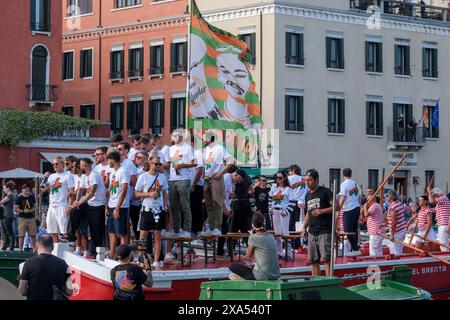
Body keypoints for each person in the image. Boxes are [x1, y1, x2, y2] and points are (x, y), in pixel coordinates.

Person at [134, 155, 169, 268]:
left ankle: (156, 259)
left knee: (157, 235)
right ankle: (142, 257)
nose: (158, 166)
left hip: (158, 209)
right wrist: (148, 194)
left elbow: (165, 192)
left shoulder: (162, 177)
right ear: (150, 163)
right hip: (147, 208)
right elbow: (136, 194)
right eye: (156, 164)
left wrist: (165, 205)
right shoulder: (143, 177)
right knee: (143, 235)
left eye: (159, 164)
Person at [18, 234, 73, 300]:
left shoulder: (29, 263)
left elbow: (22, 291)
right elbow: (70, 291)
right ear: (52, 247)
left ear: (37, 244)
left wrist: (32, 291)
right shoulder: (63, 264)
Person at [302, 169, 335, 276]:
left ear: (316, 180)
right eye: (306, 180)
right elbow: (308, 212)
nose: (307, 182)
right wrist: (304, 227)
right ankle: (316, 283)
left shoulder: (325, 191)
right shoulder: (307, 195)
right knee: (313, 260)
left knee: (326, 259)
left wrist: (323, 211)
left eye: (310, 180)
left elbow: (336, 206)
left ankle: (329, 283)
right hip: (312, 230)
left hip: (324, 229)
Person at [228, 213, 280, 280]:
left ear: (252, 224)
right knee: (251, 266)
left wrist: (236, 257)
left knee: (232, 266)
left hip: (262, 276)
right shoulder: (271, 236)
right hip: (275, 274)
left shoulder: (253, 238)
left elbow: (248, 256)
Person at [73, 158, 107, 257]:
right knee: (74, 211)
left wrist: (79, 202)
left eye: (80, 165)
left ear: (85, 166)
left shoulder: (94, 175)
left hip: (98, 205)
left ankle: (98, 251)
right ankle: (72, 237)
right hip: (89, 204)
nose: (79, 167)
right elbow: (82, 189)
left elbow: (92, 192)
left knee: (96, 229)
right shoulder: (84, 175)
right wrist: (77, 200)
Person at [202, 130, 234, 235]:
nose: (202, 140)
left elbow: (231, 160)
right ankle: (211, 228)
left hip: (216, 178)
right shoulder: (205, 150)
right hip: (207, 179)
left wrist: (220, 173)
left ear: (208, 138)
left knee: (217, 203)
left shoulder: (219, 148)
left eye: (203, 138)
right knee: (209, 205)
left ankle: (217, 228)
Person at [166, 130, 196, 237]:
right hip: (172, 179)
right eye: (173, 135)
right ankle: (176, 229)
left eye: (176, 135)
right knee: (174, 205)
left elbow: (194, 163)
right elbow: (168, 163)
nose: (174, 137)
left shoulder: (188, 148)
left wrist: (182, 165)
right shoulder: (170, 149)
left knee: (185, 205)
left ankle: (187, 229)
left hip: (184, 178)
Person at [106, 150, 130, 258]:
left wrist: (117, 207)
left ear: (112, 160)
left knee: (122, 232)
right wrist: (107, 205)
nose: (108, 163)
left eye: (108, 160)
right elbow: (110, 190)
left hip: (121, 206)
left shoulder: (123, 171)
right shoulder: (113, 173)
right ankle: (112, 254)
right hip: (111, 205)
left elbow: (124, 190)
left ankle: (124, 256)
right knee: (111, 231)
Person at [216, 169, 246, 255]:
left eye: (240, 181)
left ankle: (220, 250)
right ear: (235, 175)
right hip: (220, 207)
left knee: (225, 229)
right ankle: (220, 251)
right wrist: (225, 208)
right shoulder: (226, 178)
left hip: (225, 207)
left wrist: (229, 208)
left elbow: (227, 196)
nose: (238, 182)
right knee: (223, 229)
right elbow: (219, 194)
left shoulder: (233, 183)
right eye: (239, 179)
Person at [46, 157, 75, 243]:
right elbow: (48, 191)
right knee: (52, 231)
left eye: (57, 164)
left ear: (62, 164)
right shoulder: (51, 176)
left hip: (62, 205)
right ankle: (56, 250)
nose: (54, 166)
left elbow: (71, 192)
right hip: (52, 205)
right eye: (53, 164)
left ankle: (68, 250)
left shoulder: (68, 175)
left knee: (64, 231)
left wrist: (69, 206)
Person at [269, 170, 294, 260]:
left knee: (285, 233)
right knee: (277, 234)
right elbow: (270, 199)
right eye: (277, 178)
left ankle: (289, 253)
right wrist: (270, 208)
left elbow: (292, 202)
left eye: (280, 178)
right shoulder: (274, 187)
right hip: (275, 211)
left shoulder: (288, 189)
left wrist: (286, 211)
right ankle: (279, 252)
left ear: (284, 178)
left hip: (283, 212)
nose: (278, 180)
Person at [338, 168, 361, 256]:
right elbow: (359, 197)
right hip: (356, 207)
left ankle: (355, 248)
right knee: (354, 229)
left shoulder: (344, 184)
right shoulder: (356, 184)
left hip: (349, 209)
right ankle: (355, 248)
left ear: (343, 175)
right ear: (351, 174)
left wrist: (338, 207)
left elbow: (343, 197)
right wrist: (359, 207)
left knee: (347, 229)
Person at [287, 165, 307, 248]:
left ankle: (291, 244)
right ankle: (299, 244)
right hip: (301, 203)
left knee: (290, 224)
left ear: (293, 170)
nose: (289, 172)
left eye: (289, 171)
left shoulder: (290, 178)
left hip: (291, 202)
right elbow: (306, 191)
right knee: (299, 224)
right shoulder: (304, 179)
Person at [14, 184, 37, 252]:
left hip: (31, 217)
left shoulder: (32, 197)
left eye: (28, 189)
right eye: (25, 189)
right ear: (22, 190)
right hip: (22, 218)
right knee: (21, 235)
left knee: (33, 234)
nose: (27, 190)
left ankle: (34, 249)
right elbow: (15, 208)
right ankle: (21, 250)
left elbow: (36, 207)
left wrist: (31, 210)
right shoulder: (19, 197)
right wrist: (23, 211)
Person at [190, 136, 205, 236]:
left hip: (197, 185)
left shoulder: (197, 153)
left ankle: (196, 229)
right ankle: (191, 228)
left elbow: (200, 170)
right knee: (190, 207)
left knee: (196, 207)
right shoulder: (190, 153)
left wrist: (194, 184)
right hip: (190, 184)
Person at [428, 187, 450, 252]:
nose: (433, 197)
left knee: (443, 243)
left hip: (444, 224)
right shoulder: (440, 202)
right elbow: (434, 210)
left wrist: (429, 191)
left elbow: (431, 201)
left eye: (433, 196)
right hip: (442, 224)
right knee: (442, 242)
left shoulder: (443, 198)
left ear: (437, 194)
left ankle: (446, 256)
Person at [386, 190, 407, 255]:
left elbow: (394, 222)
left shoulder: (392, 207)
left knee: (395, 250)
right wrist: (386, 223)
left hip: (397, 232)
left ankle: (397, 263)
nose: (387, 197)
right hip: (402, 229)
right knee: (399, 248)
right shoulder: (399, 203)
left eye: (387, 196)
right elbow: (397, 218)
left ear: (390, 197)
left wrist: (392, 235)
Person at [1, 181, 16, 251]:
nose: (3, 190)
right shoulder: (8, 195)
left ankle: (11, 247)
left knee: (9, 232)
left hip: (8, 215)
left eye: (4, 188)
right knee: (4, 232)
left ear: (8, 188)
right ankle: (5, 246)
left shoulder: (10, 195)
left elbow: (1, 202)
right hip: (4, 215)